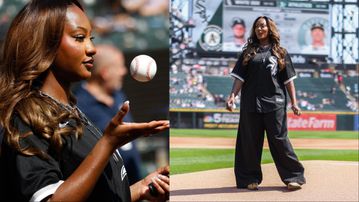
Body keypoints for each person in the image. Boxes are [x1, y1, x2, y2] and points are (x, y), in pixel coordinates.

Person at [0, 0, 169, 201]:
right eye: (79, 38)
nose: (92, 48)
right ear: (46, 44)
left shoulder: (69, 109)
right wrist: (108, 144)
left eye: (91, 37)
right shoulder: (26, 117)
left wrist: (139, 189)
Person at [226, 16, 306, 191]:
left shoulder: (281, 52)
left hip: (275, 102)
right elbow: (239, 78)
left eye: (262, 26)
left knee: (279, 139)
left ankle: (294, 177)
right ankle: (249, 179)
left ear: (270, 28)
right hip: (250, 103)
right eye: (256, 27)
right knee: (249, 141)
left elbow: (288, 81)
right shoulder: (248, 52)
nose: (259, 29)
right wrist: (232, 96)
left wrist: (294, 102)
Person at [75, 44, 144, 185]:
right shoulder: (78, 106)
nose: (124, 71)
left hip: (134, 183)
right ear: (105, 72)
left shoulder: (118, 95)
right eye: (119, 67)